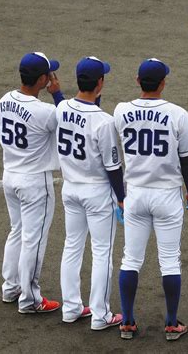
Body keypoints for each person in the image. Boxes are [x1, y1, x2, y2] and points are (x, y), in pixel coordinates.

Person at [114, 58, 188, 341]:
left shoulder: (121, 111)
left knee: (131, 259)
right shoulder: (178, 114)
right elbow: (187, 160)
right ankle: (172, 324)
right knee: (170, 262)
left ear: (138, 81)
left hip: (135, 194)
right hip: (167, 196)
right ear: (164, 83)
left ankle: (127, 322)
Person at [53, 56, 124, 330]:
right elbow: (113, 166)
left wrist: (57, 93)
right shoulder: (104, 122)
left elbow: (68, 109)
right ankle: (100, 315)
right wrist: (122, 197)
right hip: (97, 193)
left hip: (70, 189)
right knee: (102, 252)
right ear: (100, 83)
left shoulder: (60, 109)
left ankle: (70, 308)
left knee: (72, 246)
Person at [0, 52, 62, 313]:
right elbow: (70, 121)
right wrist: (57, 94)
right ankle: (30, 299)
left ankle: (10, 288)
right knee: (34, 239)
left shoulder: (4, 100)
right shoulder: (45, 111)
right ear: (43, 79)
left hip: (9, 176)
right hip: (34, 182)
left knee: (17, 232)